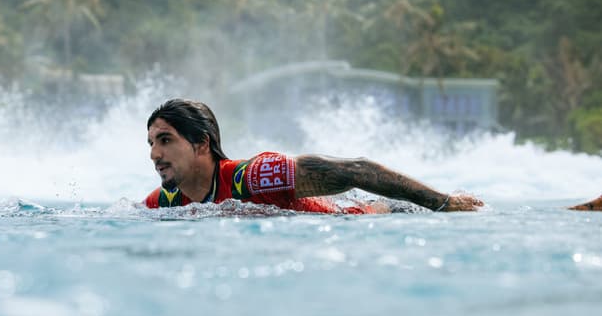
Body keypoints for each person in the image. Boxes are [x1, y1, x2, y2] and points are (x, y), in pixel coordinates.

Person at [144, 98, 483, 214]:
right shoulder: (167, 202)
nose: (155, 154)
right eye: (150, 144)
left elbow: (356, 170)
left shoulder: (256, 177)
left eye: (165, 140)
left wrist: (442, 202)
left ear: (202, 144)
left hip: (360, 217)